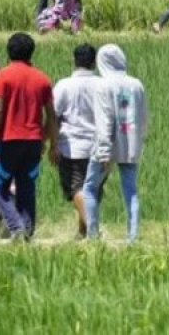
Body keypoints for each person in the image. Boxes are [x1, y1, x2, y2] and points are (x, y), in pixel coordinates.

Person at [0, 33, 58, 240]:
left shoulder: (3, 76)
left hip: (9, 140)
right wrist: (51, 142)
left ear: (9, 51)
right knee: (27, 187)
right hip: (34, 141)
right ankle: (27, 231)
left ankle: (17, 227)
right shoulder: (42, 78)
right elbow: (51, 116)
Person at [85, 44, 148, 243]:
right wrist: (139, 141)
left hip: (108, 145)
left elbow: (105, 120)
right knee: (130, 190)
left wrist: (103, 152)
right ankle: (133, 236)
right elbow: (143, 117)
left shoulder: (103, 85)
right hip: (131, 144)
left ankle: (92, 235)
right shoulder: (136, 84)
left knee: (89, 188)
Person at [53, 44, 103, 238]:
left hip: (71, 146)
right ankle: (82, 232)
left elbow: (54, 116)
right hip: (98, 146)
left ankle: (92, 228)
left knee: (75, 189)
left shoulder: (64, 85)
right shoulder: (102, 84)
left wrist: (53, 144)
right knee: (92, 190)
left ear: (74, 61)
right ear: (94, 62)